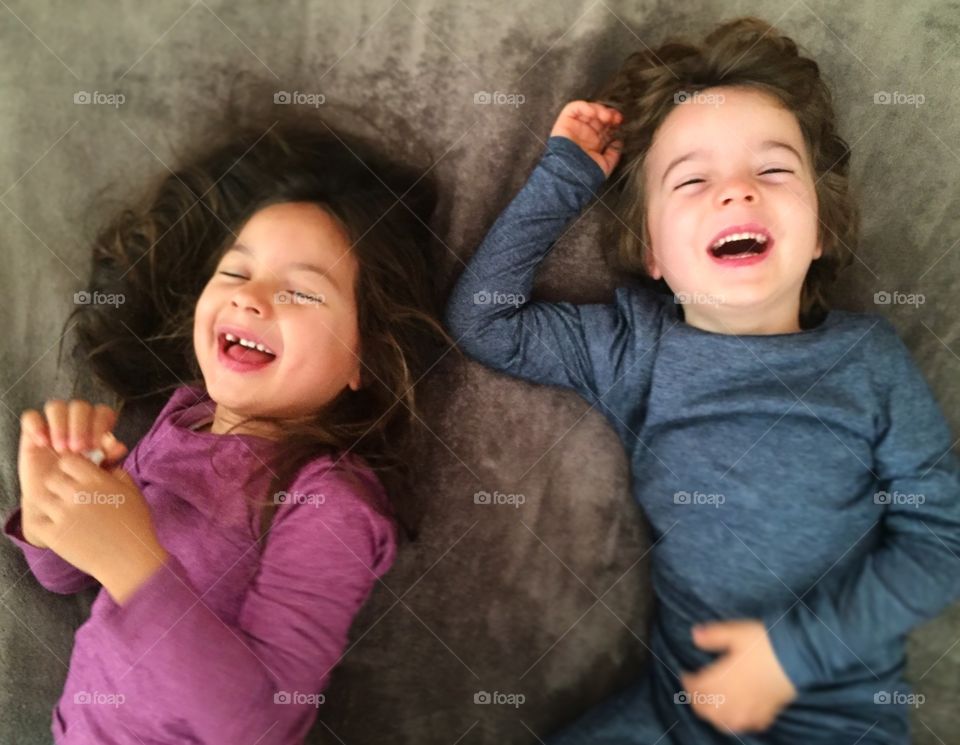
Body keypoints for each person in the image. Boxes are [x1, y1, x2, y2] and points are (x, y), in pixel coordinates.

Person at [444, 16, 960, 745]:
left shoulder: (868, 361)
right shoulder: (636, 349)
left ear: (821, 229)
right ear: (651, 250)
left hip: (832, 717)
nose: (738, 192)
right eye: (692, 179)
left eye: (773, 171)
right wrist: (565, 177)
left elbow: (941, 542)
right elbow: (486, 322)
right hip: (677, 709)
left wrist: (793, 654)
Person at [6, 110, 450, 744]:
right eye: (236, 272)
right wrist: (53, 501)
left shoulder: (331, 503)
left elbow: (260, 722)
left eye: (302, 292)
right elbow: (66, 575)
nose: (249, 297)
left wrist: (135, 562)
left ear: (368, 358)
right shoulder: (181, 418)